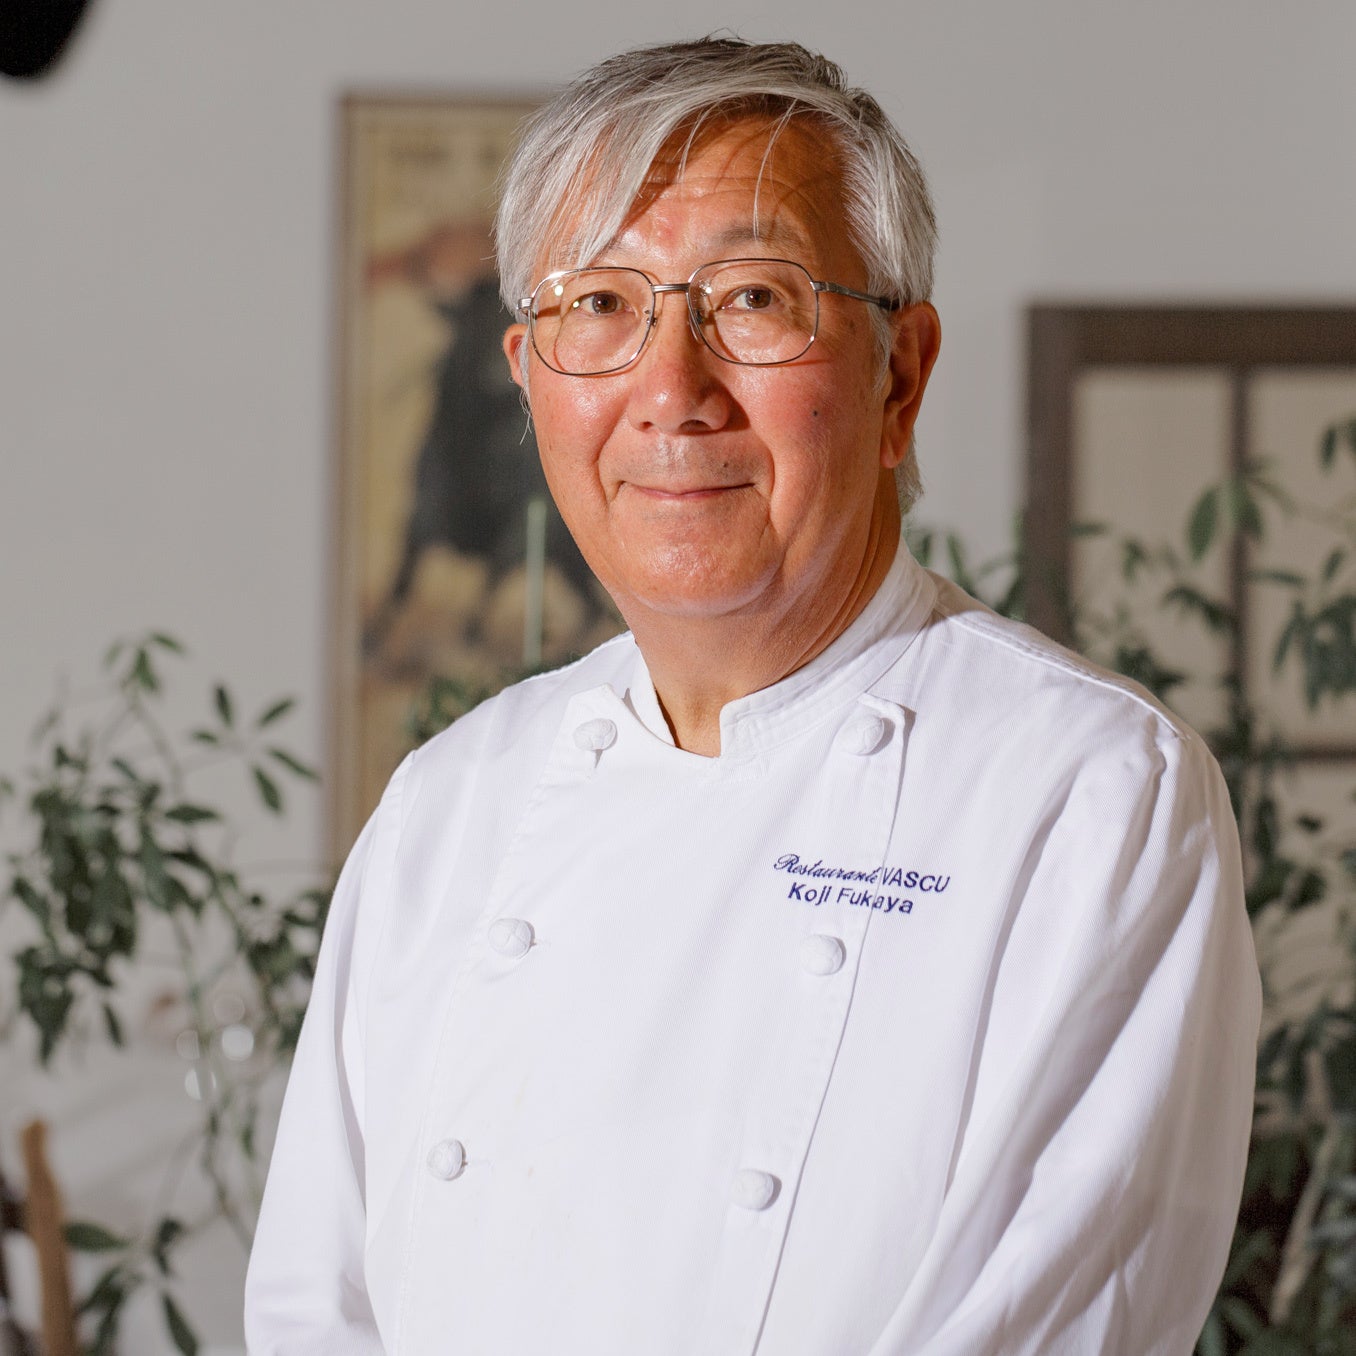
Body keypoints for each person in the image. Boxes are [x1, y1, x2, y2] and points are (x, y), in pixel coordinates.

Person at [245, 37, 1260, 1356]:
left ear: (900, 375)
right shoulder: (450, 805)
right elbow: (313, 1312)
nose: (672, 392)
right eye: (598, 304)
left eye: (754, 299)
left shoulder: (1086, 791)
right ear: (528, 379)